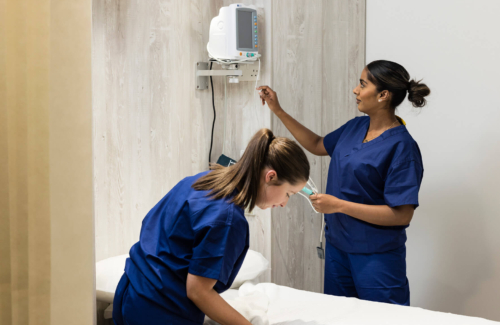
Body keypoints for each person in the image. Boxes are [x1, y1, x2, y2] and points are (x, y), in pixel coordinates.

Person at [257, 60, 430, 306]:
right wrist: (278, 110)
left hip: (376, 257)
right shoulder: (356, 126)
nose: (355, 90)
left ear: (383, 95)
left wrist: (339, 206)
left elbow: (401, 216)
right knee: (338, 316)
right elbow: (318, 145)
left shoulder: (402, 148)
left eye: (362, 84)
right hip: (338, 249)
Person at [113, 128, 309, 325]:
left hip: (130, 296)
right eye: (289, 194)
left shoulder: (202, 181)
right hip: (160, 312)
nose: (284, 204)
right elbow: (198, 291)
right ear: (271, 177)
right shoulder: (228, 218)